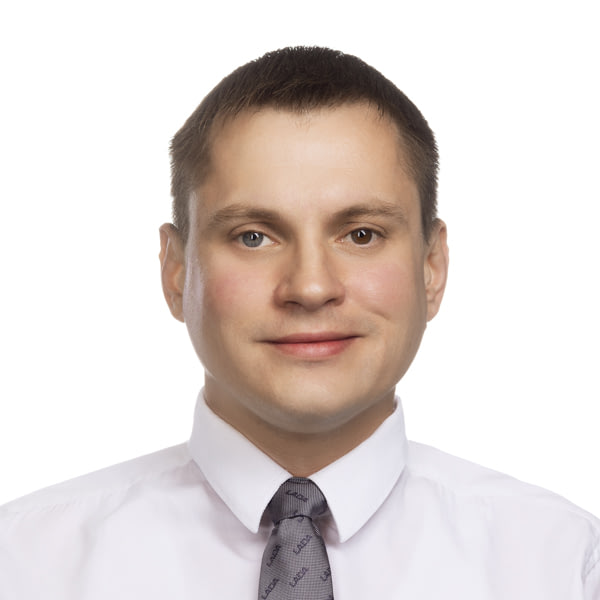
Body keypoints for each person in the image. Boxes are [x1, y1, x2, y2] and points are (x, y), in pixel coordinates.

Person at [1, 46, 598, 599]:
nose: (311, 287)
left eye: (361, 234)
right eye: (253, 237)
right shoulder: (23, 564)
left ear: (431, 267)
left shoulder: (565, 565)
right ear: (176, 271)